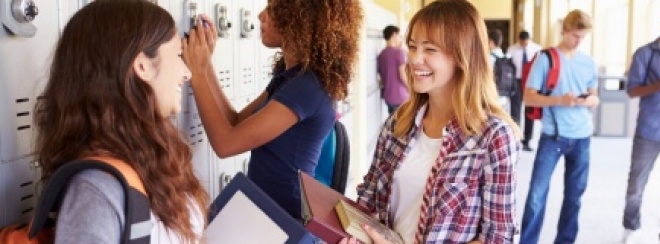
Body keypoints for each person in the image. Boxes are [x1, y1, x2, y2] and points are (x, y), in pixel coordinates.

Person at [342, 0, 521, 243]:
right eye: (413, 47)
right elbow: (369, 198)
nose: (415, 59)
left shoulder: (493, 137)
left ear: (462, 56)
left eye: (430, 49)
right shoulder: (398, 124)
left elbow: (498, 237)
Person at [34, 0, 208, 242]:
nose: (187, 72)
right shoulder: (95, 191)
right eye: (178, 55)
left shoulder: (150, 158)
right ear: (142, 66)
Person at [182, 0, 363, 221]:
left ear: (300, 17)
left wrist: (198, 74)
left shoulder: (306, 87)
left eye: (272, 8)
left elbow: (225, 144)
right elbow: (236, 122)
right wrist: (205, 64)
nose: (260, 15)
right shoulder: (291, 79)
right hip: (268, 213)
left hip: (285, 221)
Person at [520, 9, 599, 244]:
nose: (579, 41)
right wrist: (559, 100)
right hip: (553, 136)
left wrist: (590, 101)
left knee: (574, 197)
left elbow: (595, 97)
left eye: (583, 37)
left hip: (582, 136)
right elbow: (529, 97)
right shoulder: (546, 58)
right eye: (575, 36)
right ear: (564, 31)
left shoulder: (588, 62)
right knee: (536, 196)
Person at [622, 6, 660, 244]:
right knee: (636, 185)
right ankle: (631, 228)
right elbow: (632, 90)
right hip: (649, 130)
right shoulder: (645, 53)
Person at [506, 31, 542, 151]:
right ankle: (515, 137)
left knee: (529, 111)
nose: (524, 44)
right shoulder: (512, 50)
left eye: (526, 42)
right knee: (515, 111)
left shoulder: (537, 49)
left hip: (531, 83)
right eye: (522, 42)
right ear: (519, 40)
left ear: (529, 39)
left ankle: (527, 139)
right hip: (516, 82)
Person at [378, 25, 409, 115]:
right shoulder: (399, 52)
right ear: (394, 35)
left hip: (388, 97)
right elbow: (402, 75)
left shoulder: (381, 55)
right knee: (404, 126)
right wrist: (411, 89)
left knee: (393, 125)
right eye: (399, 36)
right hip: (400, 96)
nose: (400, 39)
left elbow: (382, 77)